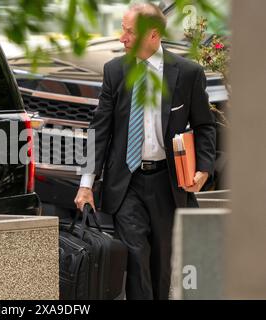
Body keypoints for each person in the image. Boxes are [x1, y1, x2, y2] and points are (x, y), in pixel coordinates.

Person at [74, 3, 216, 300]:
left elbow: (205, 126)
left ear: (153, 35)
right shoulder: (115, 70)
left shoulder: (188, 73)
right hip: (127, 182)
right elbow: (99, 128)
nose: (122, 38)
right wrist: (86, 184)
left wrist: (203, 170)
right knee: (136, 259)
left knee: (161, 264)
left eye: (129, 32)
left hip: (168, 182)